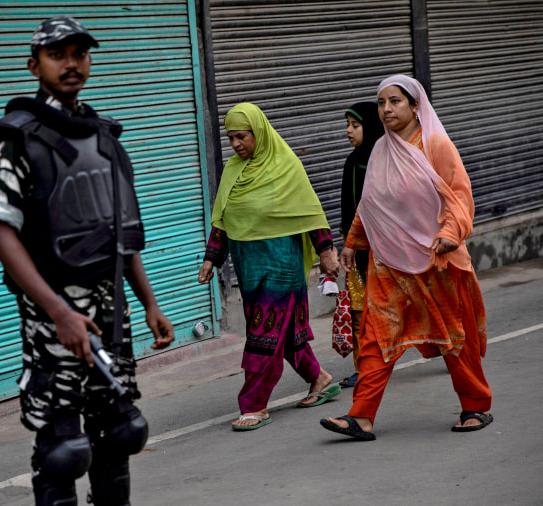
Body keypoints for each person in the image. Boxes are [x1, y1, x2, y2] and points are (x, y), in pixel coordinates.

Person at [0, 16, 175, 505]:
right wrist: (59, 312)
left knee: (119, 434)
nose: (71, 64)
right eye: (58, 54)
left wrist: (148, 301)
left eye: (80, 53)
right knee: (65, 448)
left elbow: (121, 233)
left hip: (112, 312)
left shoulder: (104, 136)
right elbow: (0, 231)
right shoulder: (16, 137)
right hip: (54, 312)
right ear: (34, 64)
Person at [320, 75, 493, 441]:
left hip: (437, 262)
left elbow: (458, 197)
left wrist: (449, 233)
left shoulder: (436, 146)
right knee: (375, 338)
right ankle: (361, 416)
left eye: (395, 101)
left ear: (415, 106)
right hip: (389, 264)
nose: (386, 109)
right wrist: (353, 242)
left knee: (454, 338)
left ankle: (476, 405)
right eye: (382, 103)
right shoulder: (382, 150)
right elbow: (372, 204)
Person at [198, 103, 341, 431]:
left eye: (242, 136)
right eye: (231, 137)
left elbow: (309, 211)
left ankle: (254, 404)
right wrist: (211, 258)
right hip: (248, 265)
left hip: (281, 265)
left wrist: (326, 252)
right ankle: (319, 378)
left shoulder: (285, 166)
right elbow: (222, 218)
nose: (236, 144)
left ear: (258, 133)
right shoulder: (233, 170)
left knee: (263, 333)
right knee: (285, 332)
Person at [337, 102, 385, 388]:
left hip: (386, 251)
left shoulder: (386, 160)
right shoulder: (351, 162)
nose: (349, 131)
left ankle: (445, 347)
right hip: (355, 251)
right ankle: (364, 366)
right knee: (359, 310)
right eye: (348, 125)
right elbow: (347, 207)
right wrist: (347, 242)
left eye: (355, 125)